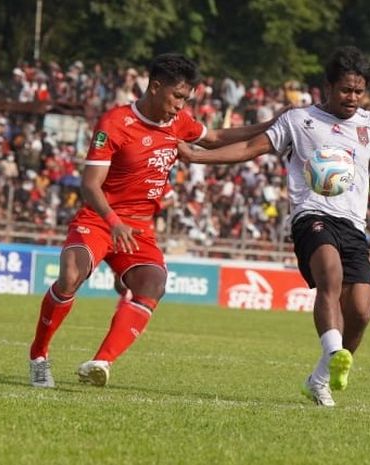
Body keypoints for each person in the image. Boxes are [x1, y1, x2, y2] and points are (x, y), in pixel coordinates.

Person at [178, 46, 370, 406]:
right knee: (330, 277)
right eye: (345, 90)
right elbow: (250, 147)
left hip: (353, 224)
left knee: (361, 312)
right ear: (328, 86)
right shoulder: (298, 120)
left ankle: (322, 376)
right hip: (311, 216)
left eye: (359, 91)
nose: (352, 98)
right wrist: (199, 157)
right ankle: (334, 349)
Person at [29, 53, 286, 388]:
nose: (180, 105)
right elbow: (90, 184)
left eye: (186, 99)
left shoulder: (179, 122)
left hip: (139, 228)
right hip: (99, 219)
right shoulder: (115, 122)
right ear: (155, 86)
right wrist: (113, 220)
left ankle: (100, 362)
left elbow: (215, 138)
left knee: (154, 283)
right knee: (70, 277)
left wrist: (273, 125)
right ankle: (38, 356)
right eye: (177, 96)